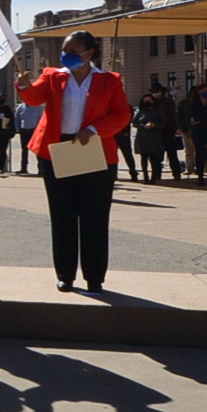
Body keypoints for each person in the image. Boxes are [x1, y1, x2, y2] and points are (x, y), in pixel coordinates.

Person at [14, 30, 132, 294]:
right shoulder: (53, 76)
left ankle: (95, 278)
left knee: (95, 216)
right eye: (64, 50)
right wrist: (23, 85)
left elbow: (122, 114)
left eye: (72, 51)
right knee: (63, 215)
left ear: (89, 53)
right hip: (57, 151)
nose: (65, 55)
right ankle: (65, 275)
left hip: (93, 149)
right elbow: (34, 99)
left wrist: (93, 129)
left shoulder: (109, 80)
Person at [133, 93, 169, 183]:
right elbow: (134, 123)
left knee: (154, 159)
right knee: (144, 158)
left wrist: (155, 125)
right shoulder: (140, 111)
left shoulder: (158, 111)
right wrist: (143, 126)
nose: (147, 102)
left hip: (154, 137)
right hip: (143, 137)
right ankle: (145, 176)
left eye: (149, 100)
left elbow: (163, 123)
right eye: (145, 101)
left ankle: (154, 177)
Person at [153, 84, 184, 181]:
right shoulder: (151, 101)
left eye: (157, 91)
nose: (156, 93)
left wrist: (175, 127)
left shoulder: (169, 101)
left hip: (168, 130)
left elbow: (173, 115)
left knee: (172, 153)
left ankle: (176, 173)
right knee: (156, 155)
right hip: (156, 130)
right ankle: (157, 174)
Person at [14, 97, 44, 174]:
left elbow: (41, 120)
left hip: (34, 132)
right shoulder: (21, 107)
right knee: (24, 150)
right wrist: (18, 128)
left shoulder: (38, 107)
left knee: (37, 151)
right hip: (23, 131)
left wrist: (38, 131)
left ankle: (40, 169)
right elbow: (16, 118)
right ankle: (23, 168)